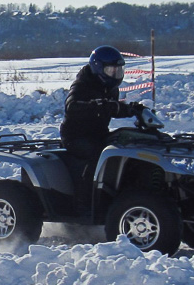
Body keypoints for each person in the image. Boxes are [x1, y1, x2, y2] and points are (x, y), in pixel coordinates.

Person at [59, 46, 144, 202]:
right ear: (99, 69)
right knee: (99, 154)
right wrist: (94, 105)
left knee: (127, 144)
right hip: (76, 136)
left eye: (119, 70)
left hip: (99, 134)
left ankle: (122, 189)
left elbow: (111, 108)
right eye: (111, 70)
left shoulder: (110, 88)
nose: (116, 74)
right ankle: (86, 199)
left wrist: (132, 110)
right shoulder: (82, 85)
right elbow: (72, 106)